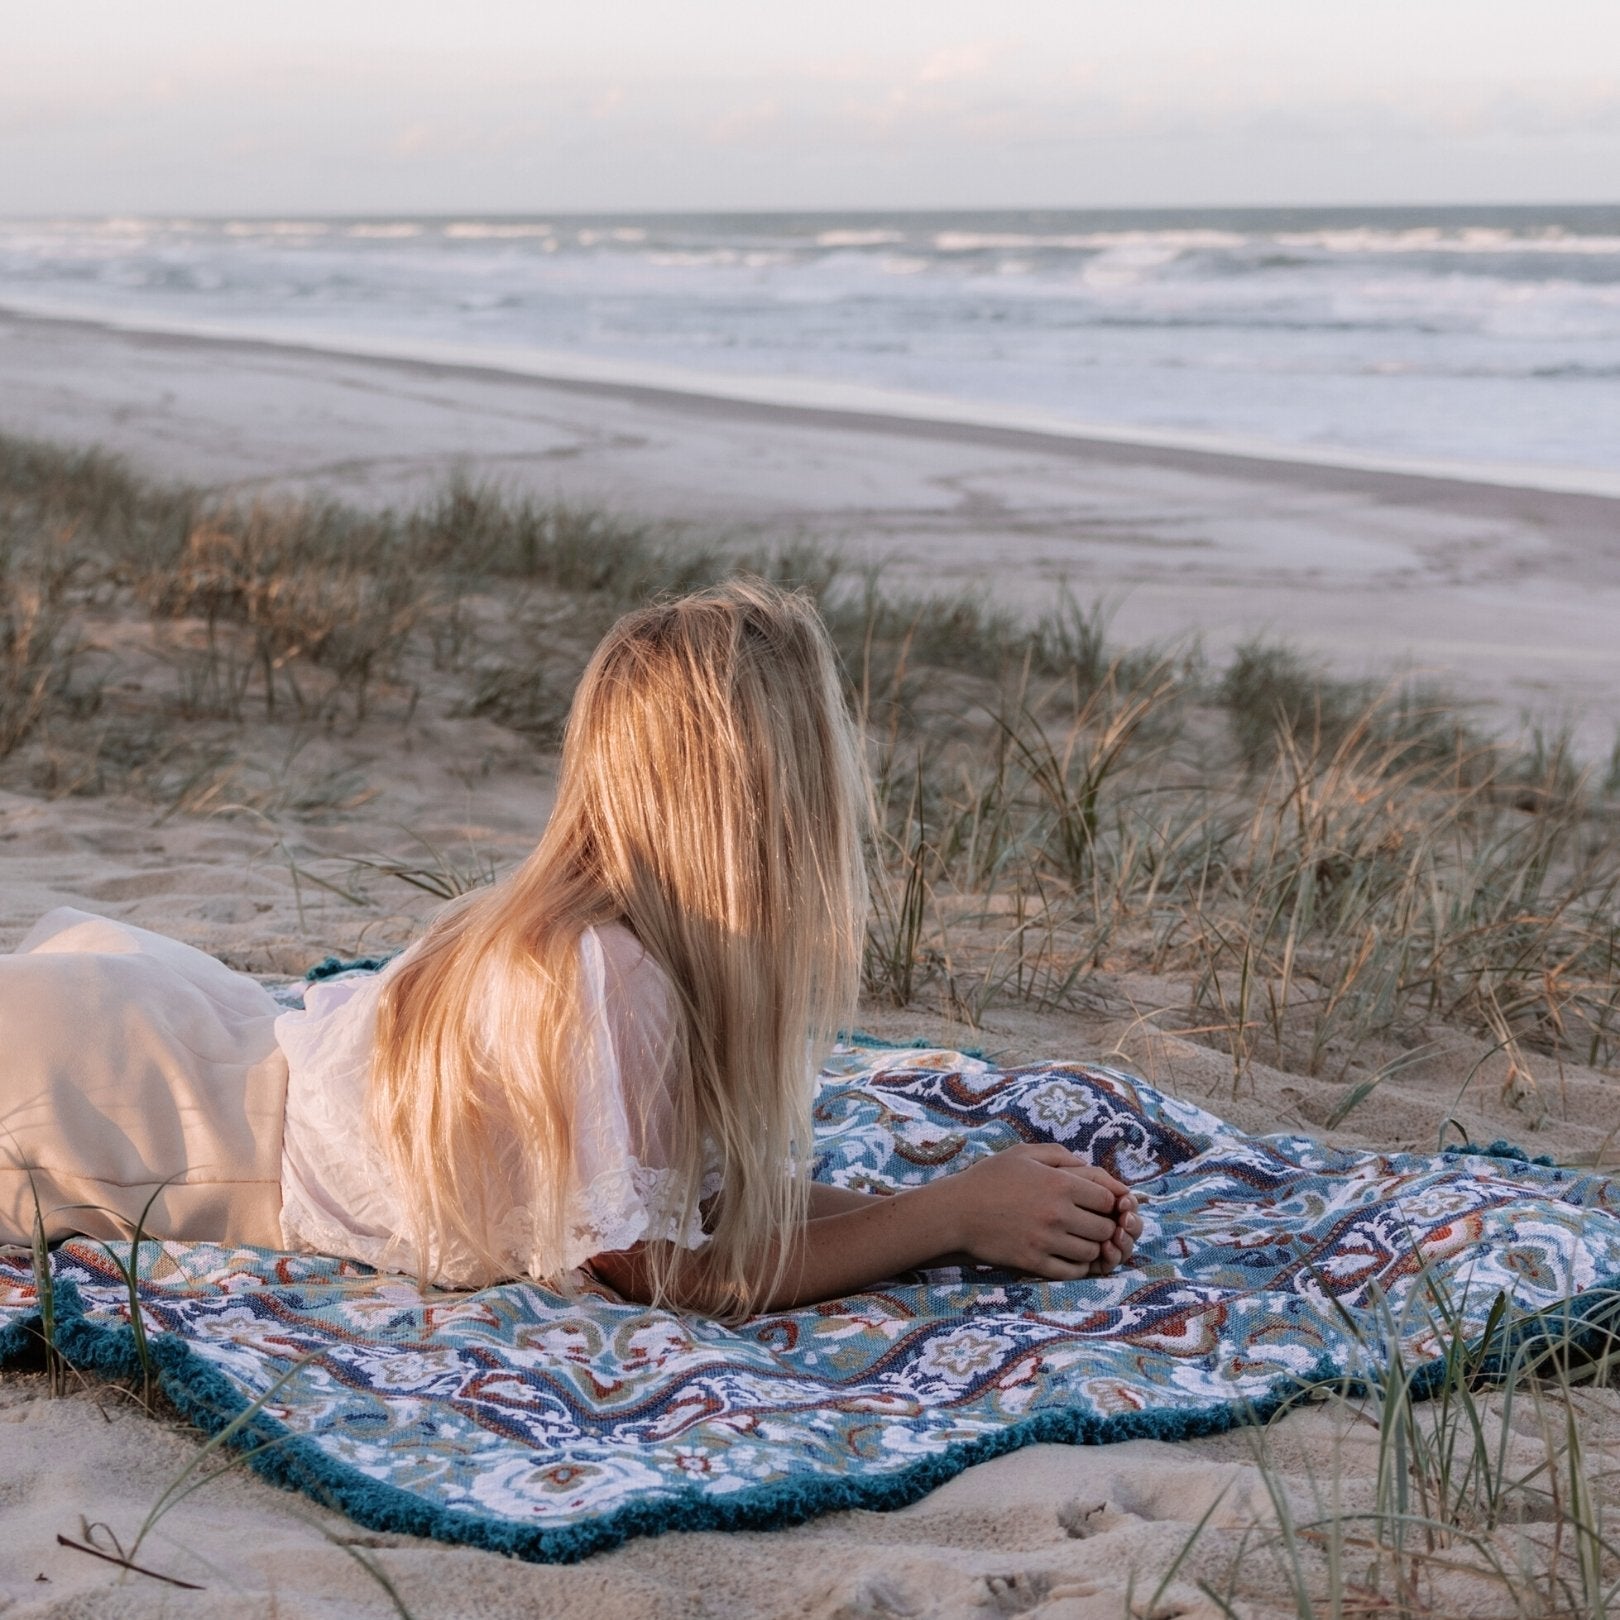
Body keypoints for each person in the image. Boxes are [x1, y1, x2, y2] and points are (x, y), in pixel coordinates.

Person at [1, 581, 1141, 1320]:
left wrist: (993, 1203)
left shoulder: (634, 951)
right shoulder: (613, 976)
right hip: (155, 1120)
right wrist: (947, 1219)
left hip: (196, 1035)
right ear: (762, 799)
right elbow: (653, 1272)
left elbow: (693, 1206)